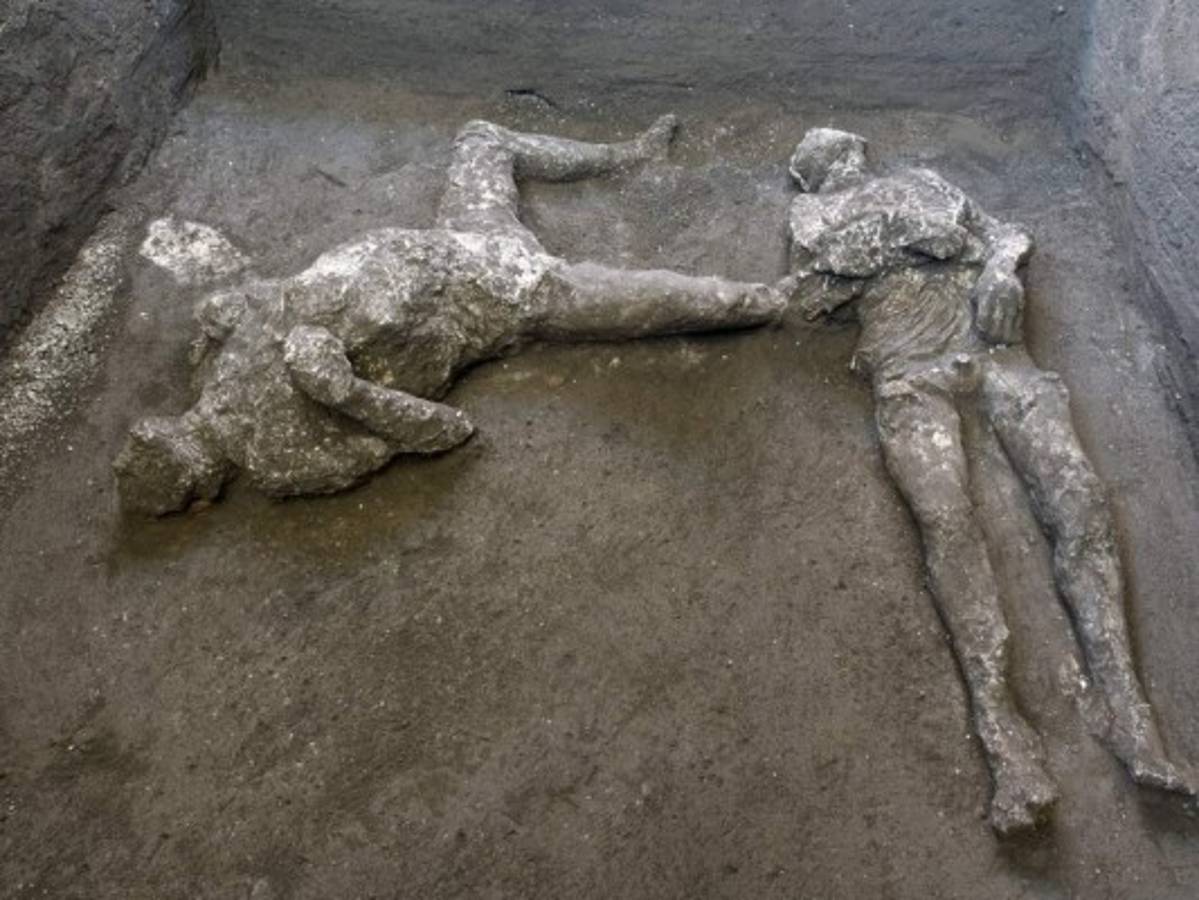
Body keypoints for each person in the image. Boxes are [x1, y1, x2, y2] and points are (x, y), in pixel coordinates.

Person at [783, 127, 1194, 834]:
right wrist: (924, 238)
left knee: (1081, 504)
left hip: (997, 353)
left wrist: (1001, 269)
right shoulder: (810, 214)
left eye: (846, 148)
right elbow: (818, 282)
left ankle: (1127, 709)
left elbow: (1004, 232)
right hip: (909, 373)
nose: (843, 158)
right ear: (811, 173)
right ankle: (1003, 733)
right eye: (825, 156)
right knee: (947, 522)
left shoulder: (923, 180)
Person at [115, 115, 786, 514]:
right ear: (206, 485)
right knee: (678, 300)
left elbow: (242, 310)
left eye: (182, 422)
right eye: (193, 439)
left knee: (483, 138)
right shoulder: (282, 464)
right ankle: (779, 297)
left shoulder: (208, 376)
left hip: (452, 239)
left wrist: (226, 312)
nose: (203, 417)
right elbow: (447, 431)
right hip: (498, 295)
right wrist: (343, 391)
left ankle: (626, 155)